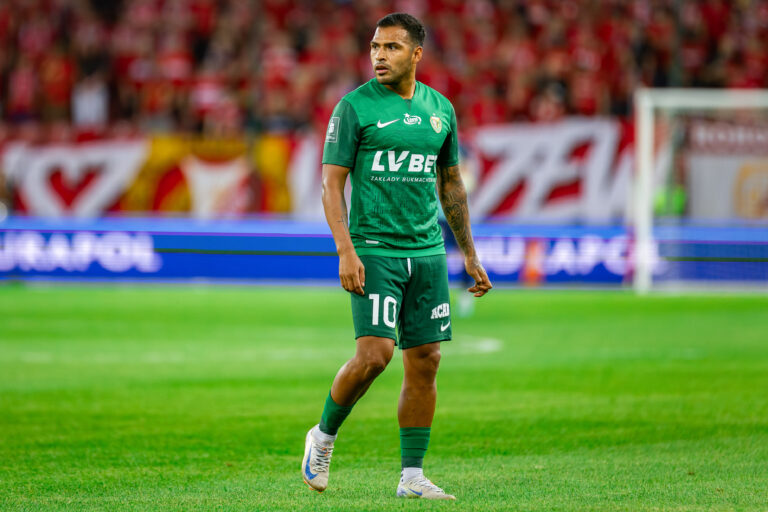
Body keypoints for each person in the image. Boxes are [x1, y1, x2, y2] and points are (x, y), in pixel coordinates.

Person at [302, 12, 492, 500]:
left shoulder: (440, 111)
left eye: (390, 47)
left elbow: (450, 183)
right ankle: (322, 438)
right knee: (375, 356)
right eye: (374, 47)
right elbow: (330, 183)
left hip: (427, 251)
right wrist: (345, 249)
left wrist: (468, 253)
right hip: (375, 248)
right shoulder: (354, 108)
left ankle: (412, 477)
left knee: (425, 360)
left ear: (416, 54)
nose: (379, 56)